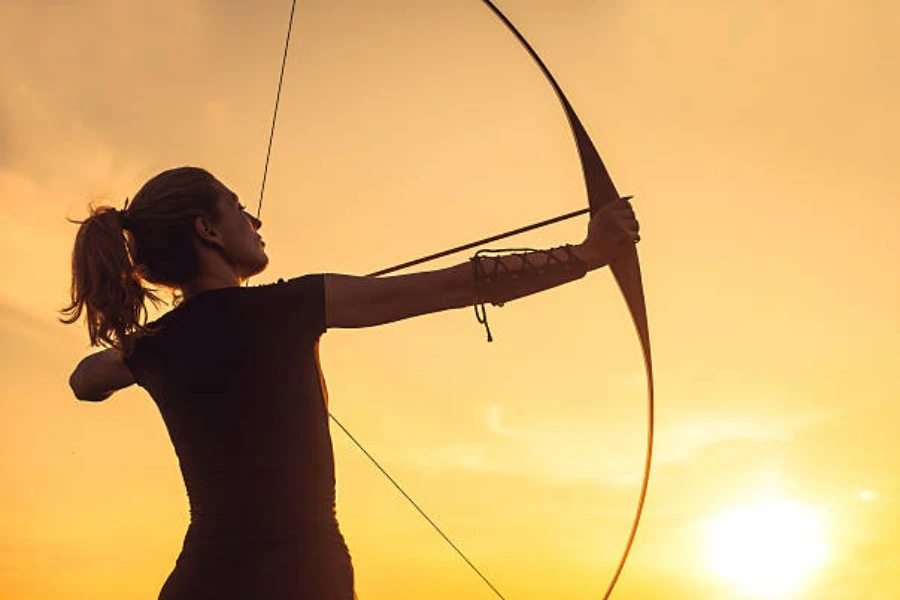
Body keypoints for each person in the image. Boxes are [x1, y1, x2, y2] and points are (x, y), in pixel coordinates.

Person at [61, 166, 639, 599]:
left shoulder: (153, 348)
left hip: (202, 582)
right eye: (238, 208)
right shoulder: (291, 304)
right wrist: (588, 253)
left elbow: (83, 381)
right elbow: (456, 286)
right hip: (304, 579)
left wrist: (130, 356)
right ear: (208, 230)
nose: (254, 221)